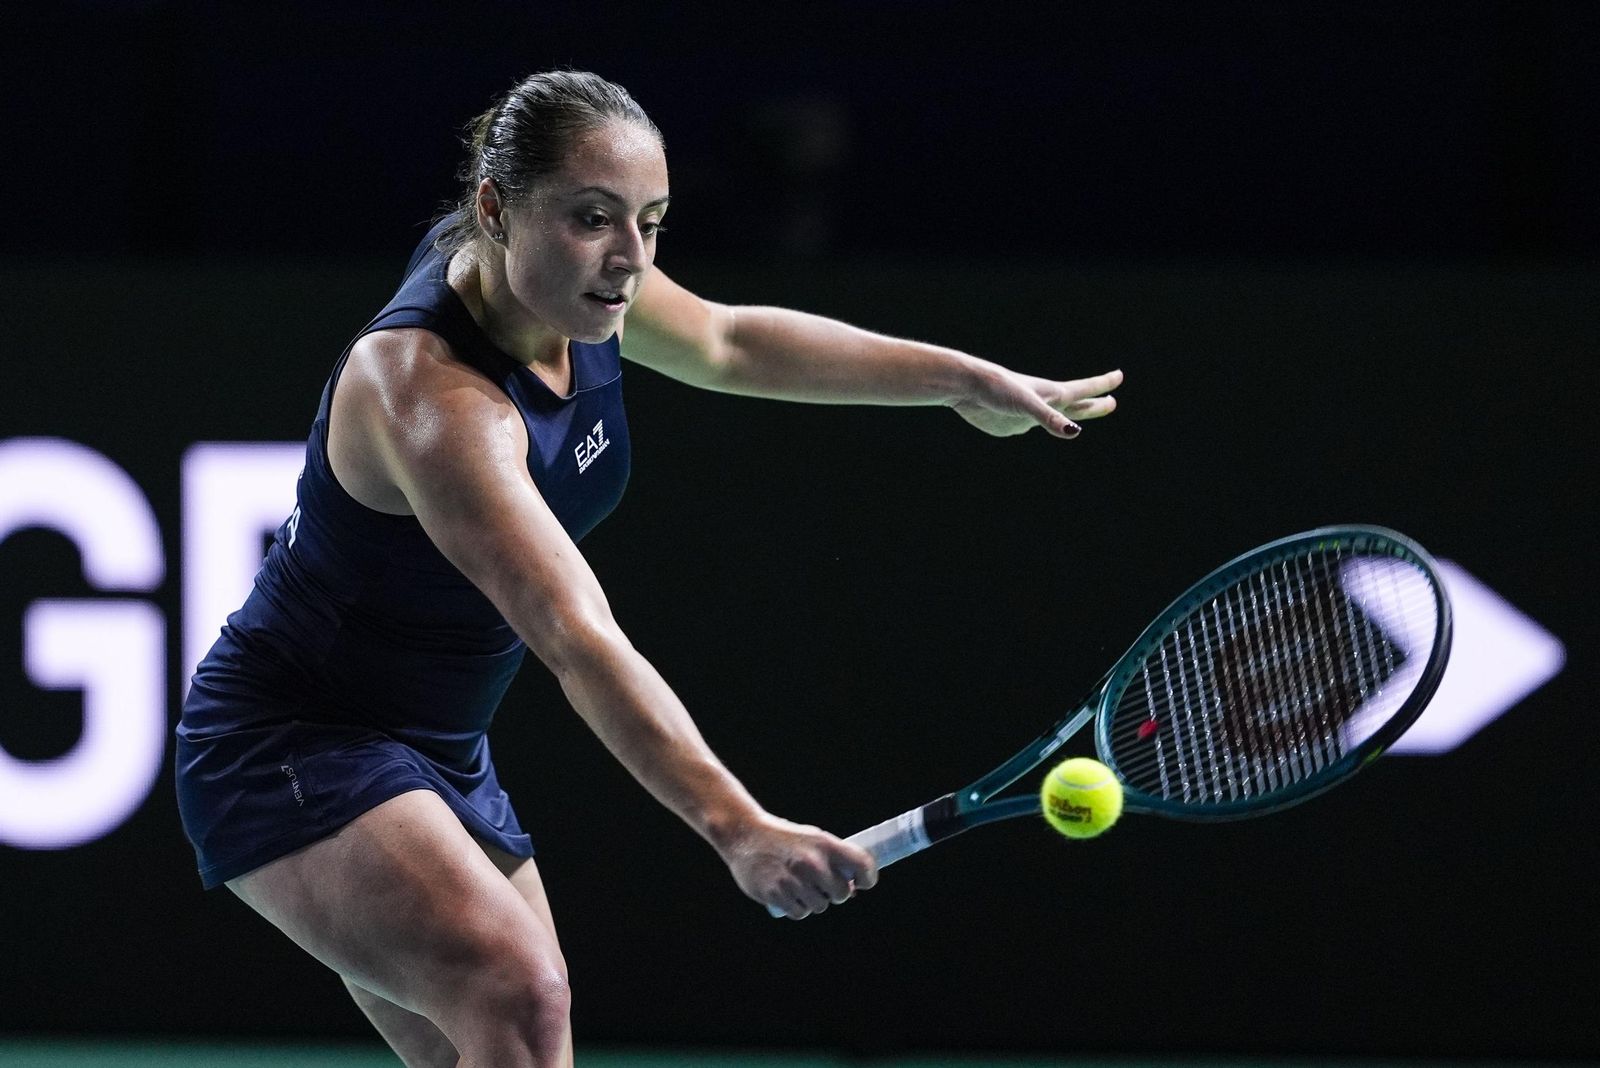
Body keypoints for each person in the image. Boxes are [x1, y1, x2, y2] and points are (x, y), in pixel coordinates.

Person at [175, 70, 1122, 1068]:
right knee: (521, 997)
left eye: (652, 221)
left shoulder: (571, 287)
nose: (628, 260)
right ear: (495, 208)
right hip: (293, 743)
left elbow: (726, 341)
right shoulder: (433, 401)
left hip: (440, 745)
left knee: (501, 1044)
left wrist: (957, 381)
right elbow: (575, 637)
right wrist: (738, 826)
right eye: (594, 218)